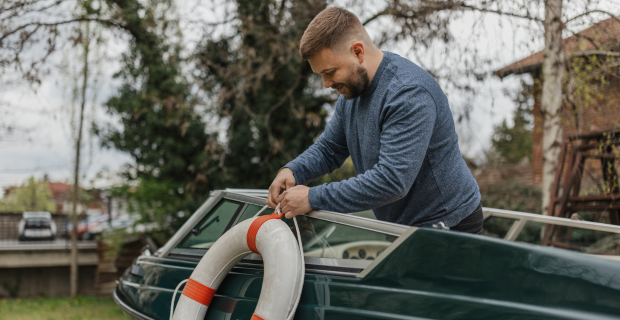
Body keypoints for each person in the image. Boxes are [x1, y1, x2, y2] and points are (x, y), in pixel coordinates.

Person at [266, 7, 483, 234]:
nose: (326, 84)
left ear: (358, 52)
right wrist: (293, 171)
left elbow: (391, 181)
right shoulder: (352, 92)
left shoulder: (407, 93)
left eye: (330, 72)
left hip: (448, 225)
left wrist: (313, 197)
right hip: (403, 226)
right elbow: (329, 149)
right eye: (321, 75)